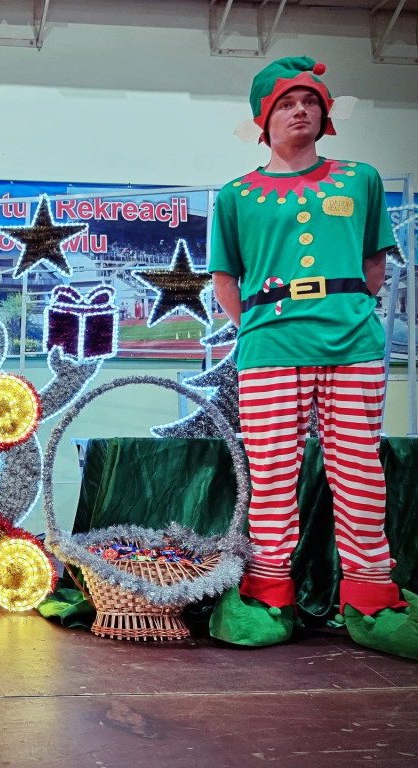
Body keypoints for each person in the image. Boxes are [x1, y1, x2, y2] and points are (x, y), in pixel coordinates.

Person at [207, 58, 416, 660]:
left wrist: (343, 310)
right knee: (272, 472)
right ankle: (270, 590)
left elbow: (374, 267)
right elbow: (227, 280)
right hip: (270, 345)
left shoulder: (360, 179)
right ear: (263, 119)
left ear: (325, 116)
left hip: (351, 343)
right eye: (285, 103)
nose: (300, 110)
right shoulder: (236, 195)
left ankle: (372, 594)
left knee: (359, 470)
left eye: (310, 101)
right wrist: (261, 327)